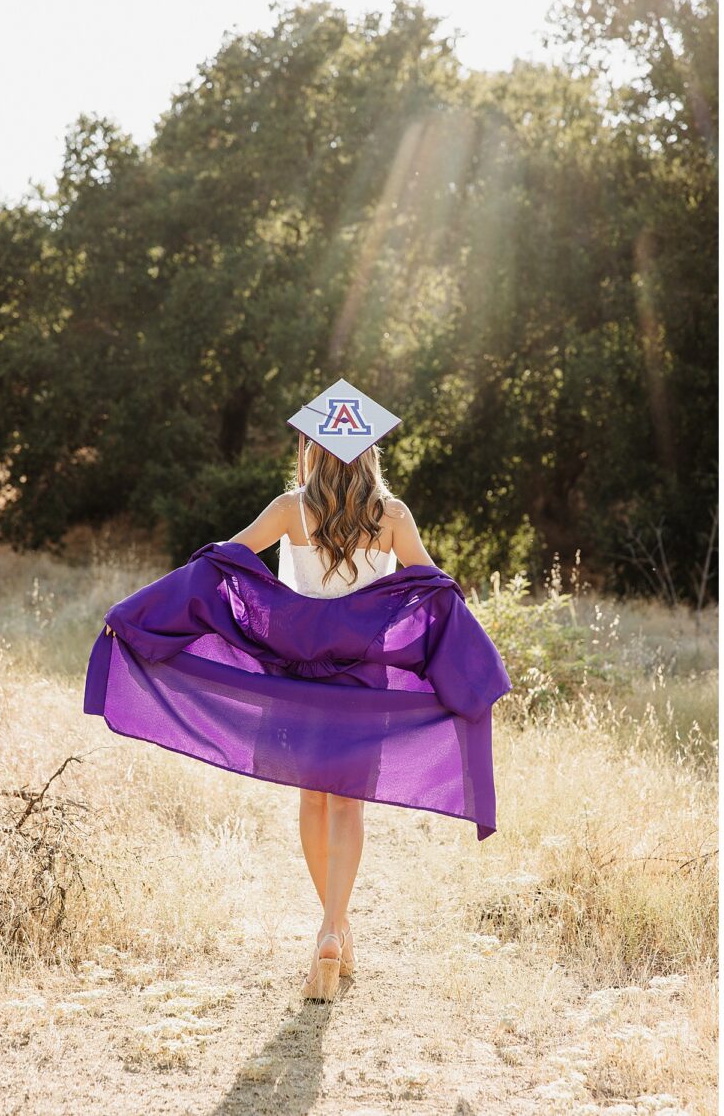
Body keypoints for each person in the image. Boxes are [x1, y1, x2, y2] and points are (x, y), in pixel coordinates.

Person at [86, 379, 510, 1005]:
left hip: (294, 682)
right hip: (362, 685)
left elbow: (222, 564)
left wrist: (153, 611)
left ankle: (331, 930)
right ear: (370, 455)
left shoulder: (291, 509)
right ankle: (334, 926)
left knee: (312, 802)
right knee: (349, 806)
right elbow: (434, 592)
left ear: (312, 451)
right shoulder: (391, 517)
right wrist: (461, 660)